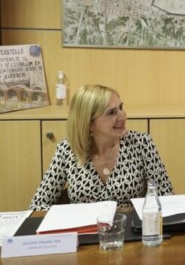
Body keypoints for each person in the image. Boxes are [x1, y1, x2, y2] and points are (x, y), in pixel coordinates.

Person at [30, 84, 173, 211]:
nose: (123, 116)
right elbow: (37, 205)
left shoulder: (141, 143)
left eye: (121, 108)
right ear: (89, 123)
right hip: (85, 230)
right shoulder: (67, 150)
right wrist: (68, 218)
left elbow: (167, 198)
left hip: (130, 228)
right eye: (112, 113)